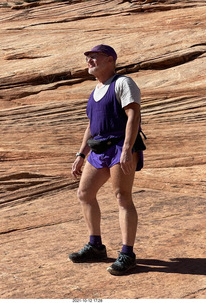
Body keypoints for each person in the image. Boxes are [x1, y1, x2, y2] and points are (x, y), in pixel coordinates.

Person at [69, 44, 145, 276]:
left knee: (122, 196)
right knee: (85, 193)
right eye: (88, 58)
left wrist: (127, 149)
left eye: (94, 57)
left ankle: (127, 254)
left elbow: (134, 115)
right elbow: (91, 125)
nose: (89, 61)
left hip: (120, 146)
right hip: (99, 149)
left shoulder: (123, 83)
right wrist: (81, 154)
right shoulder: (96, 90)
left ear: (110, 60)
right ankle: (96, 246)